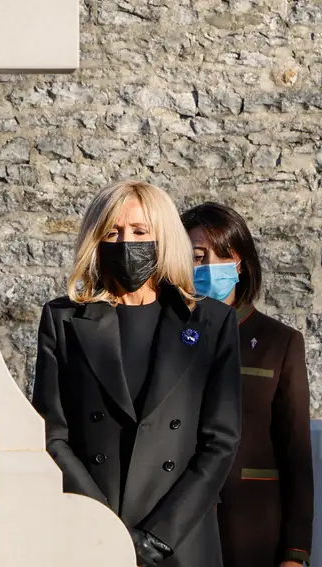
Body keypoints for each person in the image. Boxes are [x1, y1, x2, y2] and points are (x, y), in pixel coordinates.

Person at [32, 180, 242, 567]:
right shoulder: (64, 319)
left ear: (163, 238)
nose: (126, 242)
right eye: (113, 231)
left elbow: (220, 442)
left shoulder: (212, 321)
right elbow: (52, 433)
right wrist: (102, 526)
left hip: (180, 541)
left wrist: (157, 536)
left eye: (140, 232)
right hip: (91, 536)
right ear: (95, 240)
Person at [181, 202, 313, 567]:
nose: (207, 267)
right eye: (196, 256)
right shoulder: (168, 334)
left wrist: (296, 552)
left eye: (222, 255)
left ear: (240, 263)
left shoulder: (278, 342)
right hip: (179, 525)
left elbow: (296, 452)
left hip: (253, 527)